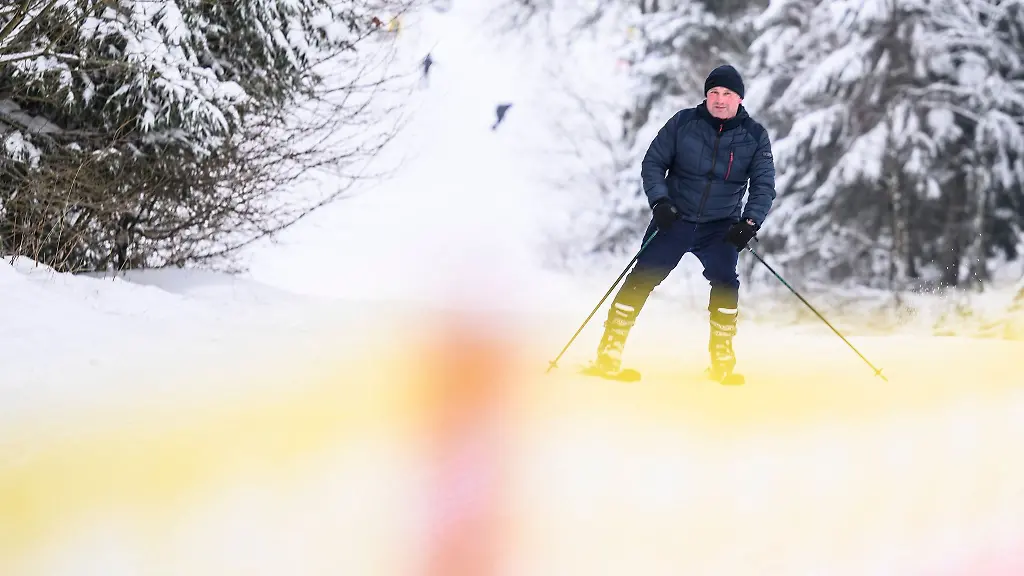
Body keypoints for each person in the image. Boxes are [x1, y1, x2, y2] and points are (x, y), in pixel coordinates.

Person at [589, 64, 777, 382]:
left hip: (720, 226)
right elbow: (653, 162)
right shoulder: (683, 123)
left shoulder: (754, 137)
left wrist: (750, 222)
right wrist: (660, 202)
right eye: (713, 93)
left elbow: (764, 184)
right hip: (674, 219)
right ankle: (609, 352)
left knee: (726, 283)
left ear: (739, 99)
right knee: (641, 279)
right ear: (706, 96)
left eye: (727, 94)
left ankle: (722, 359)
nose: (719, 100)